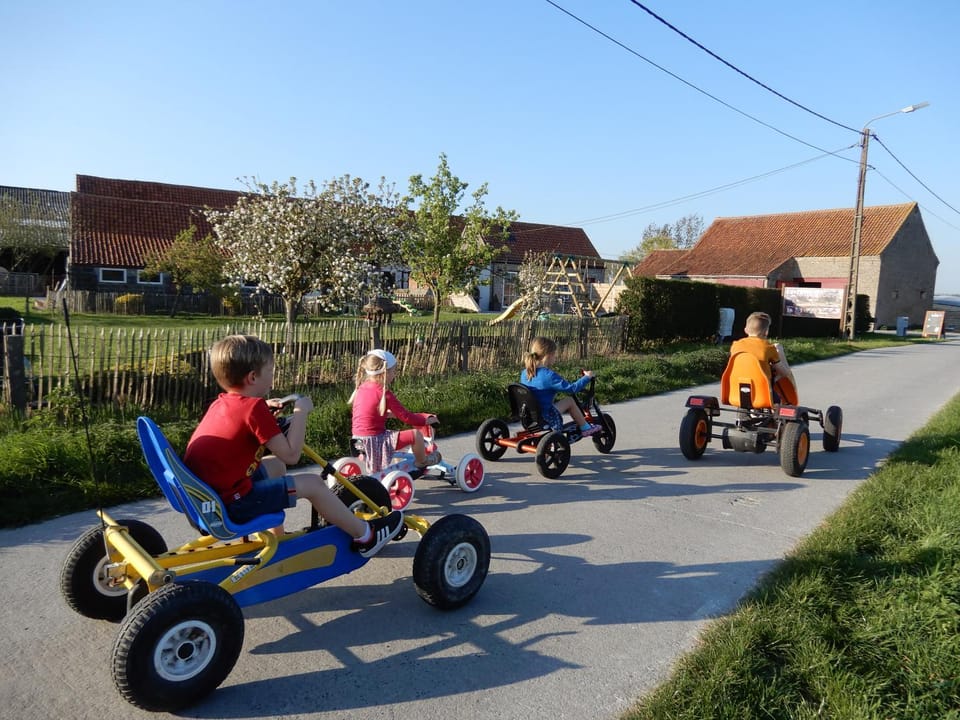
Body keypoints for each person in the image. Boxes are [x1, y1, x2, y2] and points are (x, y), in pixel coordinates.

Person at [183, 334, 403, 558]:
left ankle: (277, 540)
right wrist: (300, 412)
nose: (272, 377)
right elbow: (292, 455)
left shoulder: (223, 402)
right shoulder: (252, 410)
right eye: (270, 371)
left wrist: (265, 409)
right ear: (252, 377)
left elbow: (247, 426)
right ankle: (366, 535)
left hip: (210, 497)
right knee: (314, 484)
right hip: (233, 505)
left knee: (275, 467)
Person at [348, 348, 441, 474]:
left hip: (357, 440)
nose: (394, 375)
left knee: (395, 436)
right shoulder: (384, 393)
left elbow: (368, 415)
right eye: (393, 371)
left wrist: (390, 415)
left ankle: (401, 465)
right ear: (385, 373)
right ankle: (422, 461)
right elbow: (406, 417)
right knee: (415, 435)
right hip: (375, 441)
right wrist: (426, 420)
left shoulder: (361, 388)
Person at [520, 336, 599, 436]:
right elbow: (572, 389)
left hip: (529, 416)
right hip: (545, 416)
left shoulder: (525, 372)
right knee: (569, 401)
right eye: (555, 354)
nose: (555, 357)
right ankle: (585, 428)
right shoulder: (549, 375)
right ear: (549, 355)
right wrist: (587, 377)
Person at [728, 311, 794, 403]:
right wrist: (780, 353)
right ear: (766, 332)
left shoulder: (735, 345)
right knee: (778, 400)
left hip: (735, 392)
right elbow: (784, 372)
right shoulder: (768, 348)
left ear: (745, 330)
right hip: (762, 394)